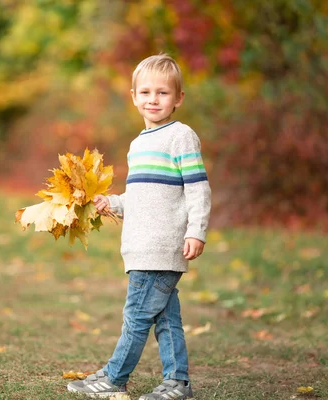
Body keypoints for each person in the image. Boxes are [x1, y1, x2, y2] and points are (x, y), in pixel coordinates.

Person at [67, 53, 211, 399]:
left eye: (163, 93)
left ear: (178, 99)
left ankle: (114, 378)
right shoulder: (139, 143)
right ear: (133, 97)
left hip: (162, 246)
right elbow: (141, 196)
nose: (153, 99)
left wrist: (196, 230)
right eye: (145, 92)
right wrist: (111, 202)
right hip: (140, 246)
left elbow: (197, 188)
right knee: (165, 320)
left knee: (136, 317)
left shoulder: (181, 136)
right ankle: (178, 384)